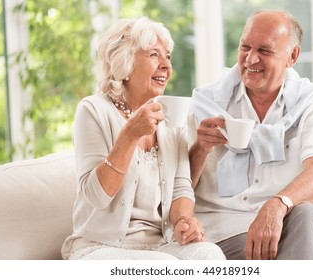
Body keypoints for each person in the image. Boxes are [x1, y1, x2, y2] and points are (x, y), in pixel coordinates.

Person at [61, 17, 225, 260]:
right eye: (154, 55)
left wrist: (183, 221)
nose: (166, 66)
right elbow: (96, 196)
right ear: (124, 63)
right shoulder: (93, 110)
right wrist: (130, 135)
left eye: (167, 56)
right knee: (162, 265)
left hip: (160, 245)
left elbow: (181, 187)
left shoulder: (170, 115)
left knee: (209, 255)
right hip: (99, 247)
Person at [188, 10, 313, 260]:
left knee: (306, 213)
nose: (250, 59)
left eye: (265, 51)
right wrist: (200, 148)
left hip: (285, 225)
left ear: (293, 56)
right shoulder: (206, 102)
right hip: (221, 233)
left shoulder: (311, 102)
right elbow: (178, 186)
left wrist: (277, 205)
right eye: (245, 47)